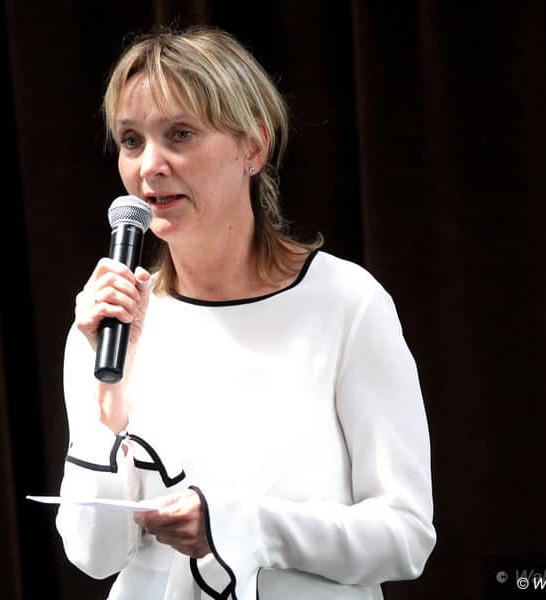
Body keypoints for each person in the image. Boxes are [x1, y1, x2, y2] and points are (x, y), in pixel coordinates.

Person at [56, 26, 436, 600]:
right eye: (131, 141)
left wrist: (241, 526)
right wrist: (108, 403)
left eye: (180, 134)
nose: (149, 165)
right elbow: (93, 555)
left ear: (253, 147)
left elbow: (405, 536)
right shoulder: (107, 327)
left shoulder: (346, 303)